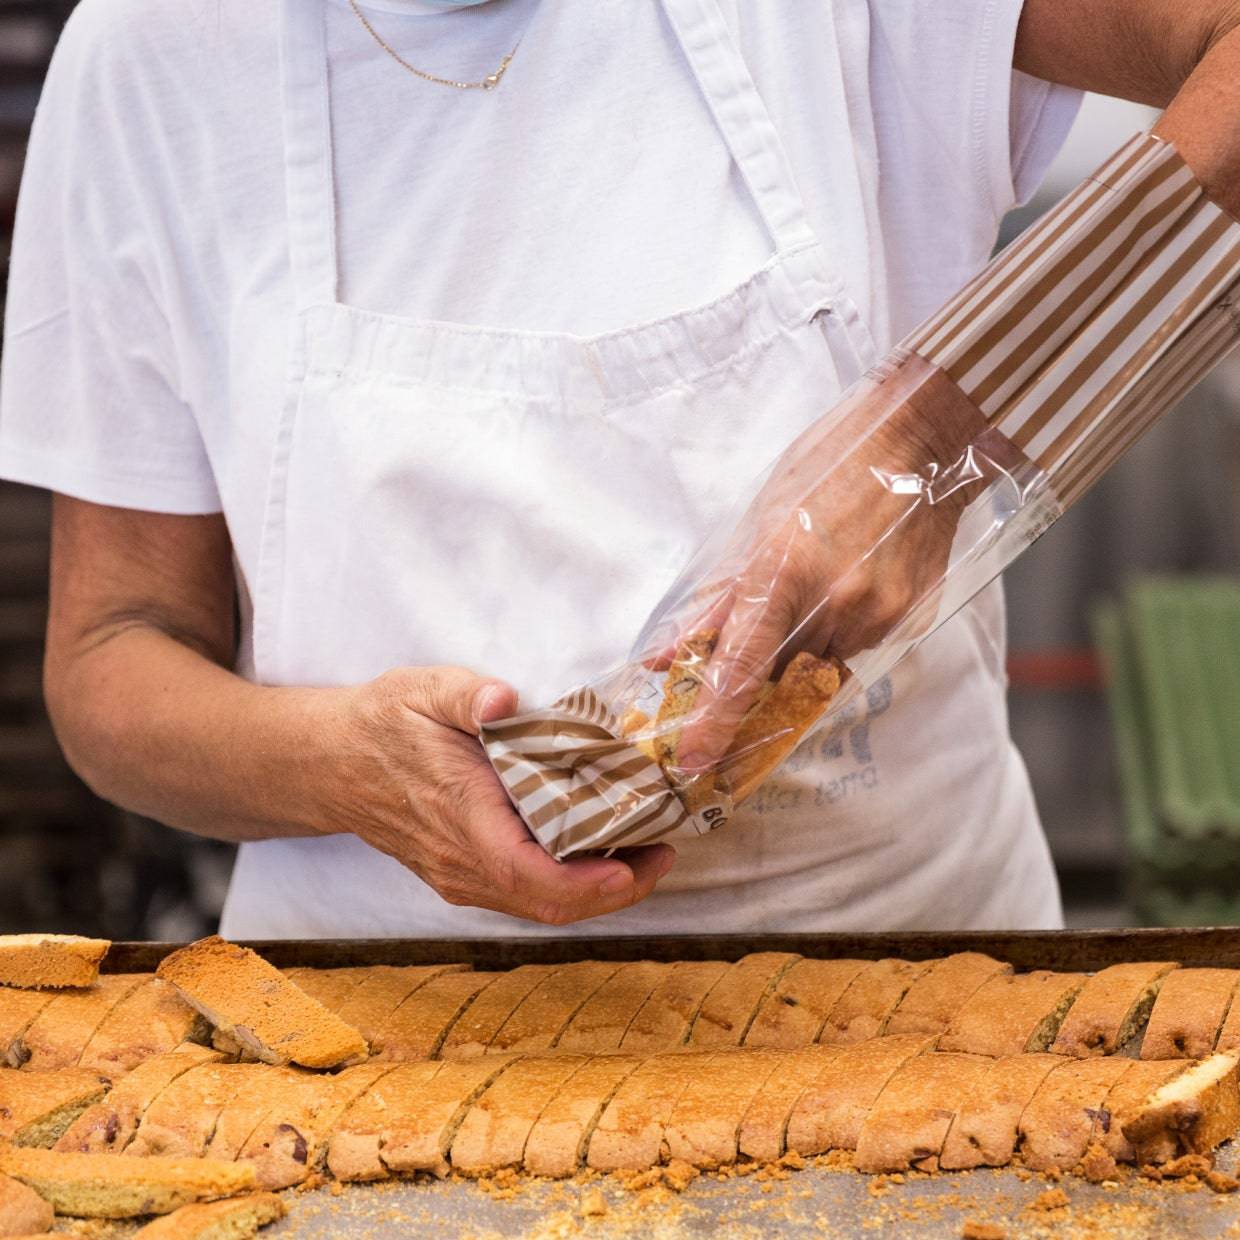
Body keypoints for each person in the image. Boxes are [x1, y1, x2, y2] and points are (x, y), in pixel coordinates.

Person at [1, 0, 1236, 938]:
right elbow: (113, 654)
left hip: (907, 983)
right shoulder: (154, 57)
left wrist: (932, 443)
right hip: (371, 1041)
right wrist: (352, 770)